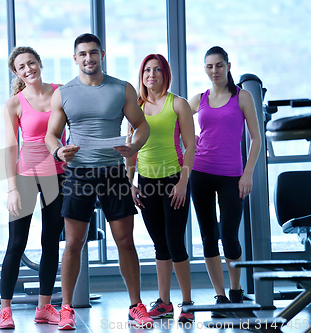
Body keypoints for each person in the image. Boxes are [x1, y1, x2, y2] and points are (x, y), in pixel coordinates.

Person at [45, 33, 153, 330]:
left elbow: (141, 125)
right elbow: (51, 134)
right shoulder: (64, 93)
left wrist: (134, 147)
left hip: (113, 171)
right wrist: (58, 150)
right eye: (83, 54)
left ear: (102, 54)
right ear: (75, 58)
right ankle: (66, 308)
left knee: (125, 241)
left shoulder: (122, 89)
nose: (88, 58)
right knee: (74, 243)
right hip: (79, 173)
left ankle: (136, 306)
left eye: (93, 52)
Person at [189, 46, 261, 317]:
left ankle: (235, 293)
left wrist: (248, 173)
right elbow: (176, 119)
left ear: (228, 66)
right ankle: (219, 297)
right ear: (205, 69)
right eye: (209, 66)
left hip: (232, 175)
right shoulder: (200, 98)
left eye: (219, 65)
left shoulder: (242, 97)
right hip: (201, 173)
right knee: (208, 236)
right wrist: (191, 141)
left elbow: (256, 138)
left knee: (229, 236)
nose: (214, 71)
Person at [0, 46, 66, 329]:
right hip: (26, 175)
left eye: (31, 63)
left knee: (50, 242)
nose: (28, 69)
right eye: (21, 67)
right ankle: (5, 310)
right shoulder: (14, 103)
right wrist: (11, 189)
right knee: (17, 243)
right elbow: (9, 147)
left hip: (59, 175)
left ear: (40, 63)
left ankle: (44, 307)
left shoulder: (60, 91)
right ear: (16, 73)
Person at [126, 54, 195, 323]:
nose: (151, 74)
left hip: (174, 180)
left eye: (157, 70)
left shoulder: (178, 104)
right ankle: (164, 302)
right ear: (141, 76)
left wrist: (182, 182)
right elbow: (130, 150)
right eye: (147, 70)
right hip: (145, 182)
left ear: (165, 74)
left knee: (175, 242)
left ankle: (187, 303)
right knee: (159, 245)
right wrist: (129, 183)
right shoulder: (136, 108)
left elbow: (190, 146)